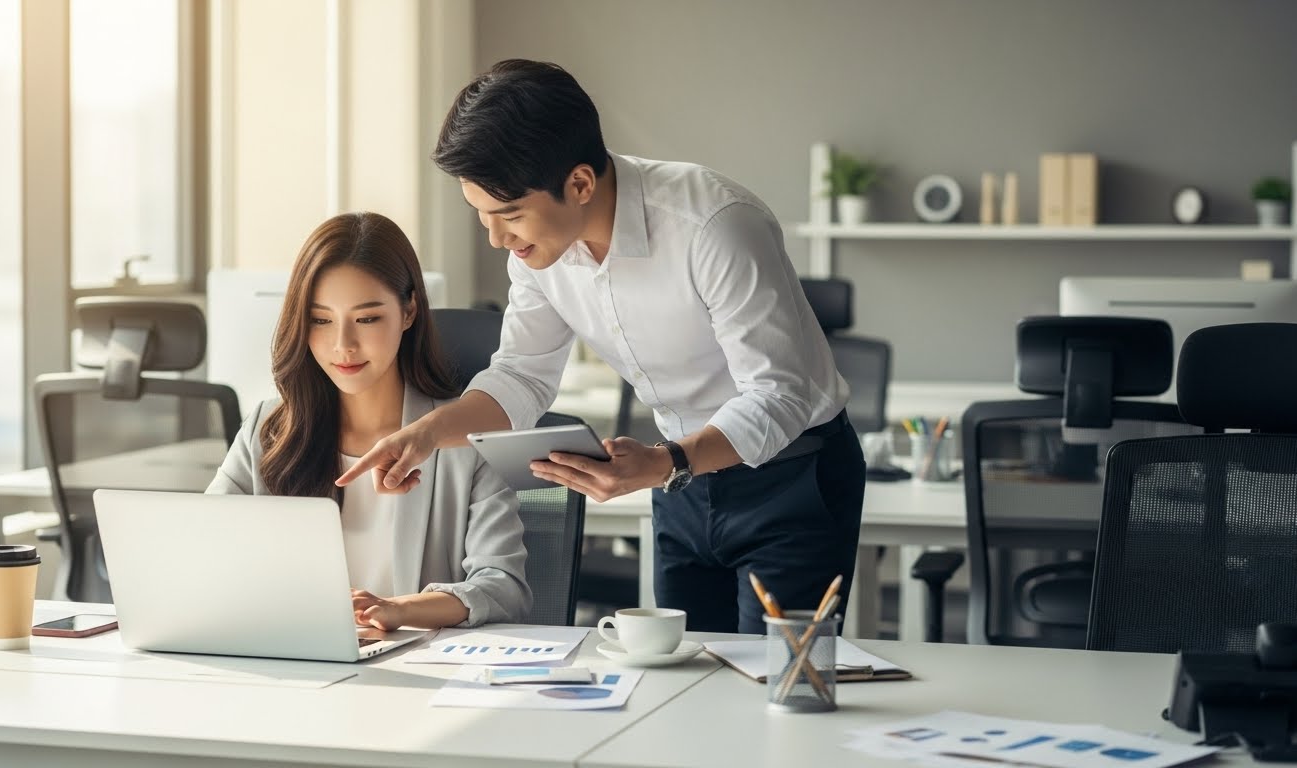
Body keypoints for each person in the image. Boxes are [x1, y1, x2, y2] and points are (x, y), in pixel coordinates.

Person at [339, 60, 864, 635]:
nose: (497, 239)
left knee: (780, 684)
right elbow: (522, 375)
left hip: (793, 477)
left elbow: (779, 394)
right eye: (482, 216)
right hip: (680, 481)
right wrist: (428, 433)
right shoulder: (537, 250)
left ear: (581, 183)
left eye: (509, 215)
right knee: (681, 679)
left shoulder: (714, 225)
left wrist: (668, 461)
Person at [207, 211, 531, 632]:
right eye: (321, 320)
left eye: (367, 319)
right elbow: (206, 549)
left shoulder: (461, 438)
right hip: (292, 666)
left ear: (409, 311)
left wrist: (400, 610)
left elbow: (504, 589)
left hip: (415, 676)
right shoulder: (268, 428)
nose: (343, 345)